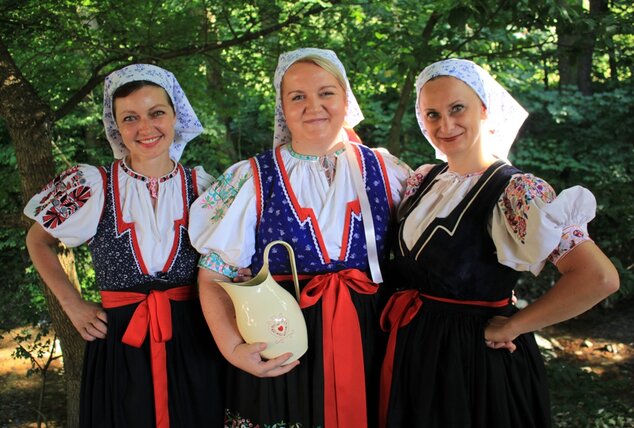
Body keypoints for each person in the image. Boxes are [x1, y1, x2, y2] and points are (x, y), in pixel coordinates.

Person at [378, 58, 620, 428]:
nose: (446, 124)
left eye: (457, 108)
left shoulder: (516, 191)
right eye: (432, 114)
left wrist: (514, 326)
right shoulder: (423, 180)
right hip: (416, 349)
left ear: (485, 109)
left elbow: (598, 278)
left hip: (474, 361)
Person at [188, 48, 411, 427]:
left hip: (372, 345)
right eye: (298, 97)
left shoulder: (387, 170)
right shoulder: (254, 179)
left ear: (345, 97)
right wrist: (234, 349)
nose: (314, 106)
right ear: (282, 106)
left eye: (326, 92)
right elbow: (213, 275)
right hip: (282, 346)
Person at [24, 64, 226, 427]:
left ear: (176, 115)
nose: (145, 128)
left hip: (194, 338)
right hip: (119, 340)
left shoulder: (204, 186)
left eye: (156, 113)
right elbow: (37, 240)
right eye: (130, 117)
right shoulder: (91, 184)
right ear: (115, 125)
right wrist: (73, 306)